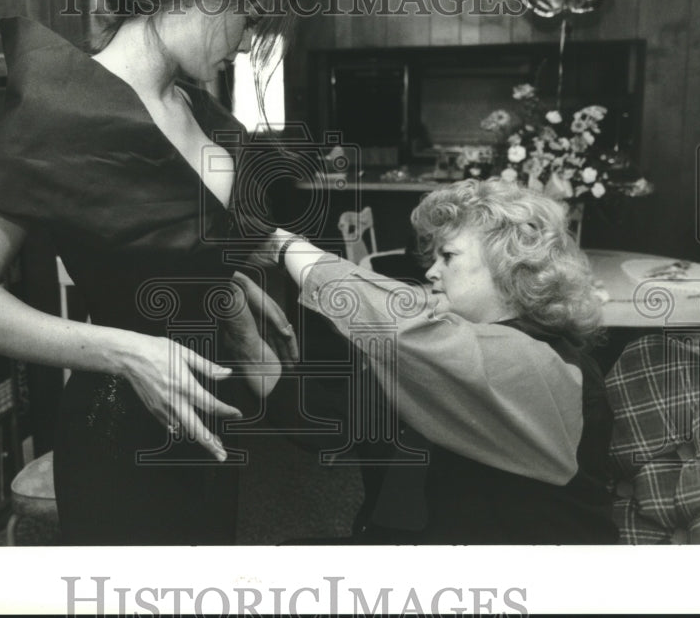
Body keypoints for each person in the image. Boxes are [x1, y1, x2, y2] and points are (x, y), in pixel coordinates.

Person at [0, 0, 313, 544]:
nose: (246, 38)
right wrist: (124, 352)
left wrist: (220, 279)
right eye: (245, 14)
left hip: (211, 419)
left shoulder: (198, 106)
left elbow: (166, 235)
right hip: (118, 434)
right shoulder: (59, 115)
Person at [264, 178, 618, 544]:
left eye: (448, 256)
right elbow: (324, 425)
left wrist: (282, 245)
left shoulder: (547, 365)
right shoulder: (442, 349)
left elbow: (405, 330)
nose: (431, 271)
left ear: (509, 266)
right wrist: (244, 340)